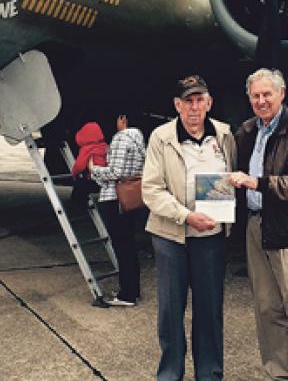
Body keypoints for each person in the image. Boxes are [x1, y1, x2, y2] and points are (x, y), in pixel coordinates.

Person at [227, 69, 288, 381]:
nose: (261, 101)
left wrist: (258, 183)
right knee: (267, 309)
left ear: (281, 94)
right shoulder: (247, 131)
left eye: (267, 94)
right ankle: (278, 373)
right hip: (257, 227)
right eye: (255, 96)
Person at [141, 75, 236, 381]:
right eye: (188, 101)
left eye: (200, 100)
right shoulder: (161, 137)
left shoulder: (224, 134)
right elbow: (151, 190)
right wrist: (185, 215)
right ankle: (170, 374)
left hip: (210, 238)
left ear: (209, 103)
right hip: (172, 236)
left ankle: (210, 374)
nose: (194, 107)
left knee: (209, 309)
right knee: (171, 310)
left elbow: (232, 176)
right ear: (177, 105)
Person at [90, 114, 148, 307]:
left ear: (122, 119)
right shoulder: (138, 138)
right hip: (131, 199)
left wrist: (94, 169)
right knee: (128, 246)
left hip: (115, 199)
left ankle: (127, 295)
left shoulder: (121, 138)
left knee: (122, 247)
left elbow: (116, 172)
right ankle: (132, 290)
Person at [69, 121, 107, 215]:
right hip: (105, 182)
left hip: (93, 181)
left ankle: (77, 208)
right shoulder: (105, 147)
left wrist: (74, 174)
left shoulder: (87, 149)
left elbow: (79, 165)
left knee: (79, 188)